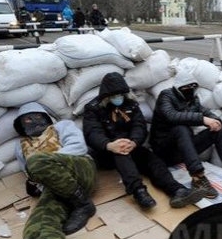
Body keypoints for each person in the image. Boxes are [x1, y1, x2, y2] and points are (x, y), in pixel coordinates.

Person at [11, 102, 97, 239]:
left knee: (37, 163)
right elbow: (28, 172)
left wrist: (44, 164)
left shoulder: (63, 126)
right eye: (26, 120)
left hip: (80, 169)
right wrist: (36, 184)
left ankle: (83, 204)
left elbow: (78, 147)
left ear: (46, 117)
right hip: (57, 186)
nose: (32, 122)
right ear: (20, 126)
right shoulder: (20, 146)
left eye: (36, 117)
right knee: (36, 225)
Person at [82, 72, 204, 210]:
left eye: (121, 95)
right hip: (106, 151)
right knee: (121, 153)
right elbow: (92, 132)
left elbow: (139, 125)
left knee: (153, 161)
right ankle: (139, 191)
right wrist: (109, 145)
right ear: (107, 96)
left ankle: (177, 190)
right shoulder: (93, 108)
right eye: (115, 96)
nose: (118, 98)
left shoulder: (131, 104)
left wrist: (134, 141)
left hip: (131, 145)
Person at [150, 70, 222, 197]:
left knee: (218, 130)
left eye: (193, 87)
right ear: (178, 88)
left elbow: (205, 112)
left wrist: (216, 121)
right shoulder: (166, 96)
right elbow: (171, 115)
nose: (190, 89)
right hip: (165, 150)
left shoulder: (193, 99)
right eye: (186, 87)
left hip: (184, 150)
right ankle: (198, 178)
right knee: (180, 128)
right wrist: (202, 119)